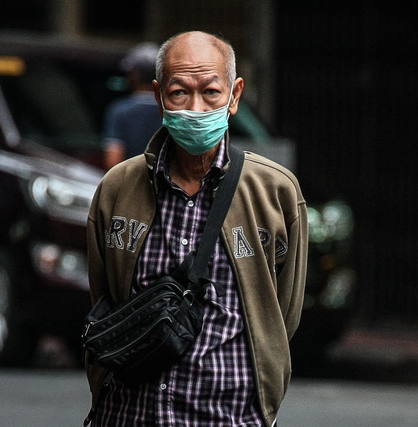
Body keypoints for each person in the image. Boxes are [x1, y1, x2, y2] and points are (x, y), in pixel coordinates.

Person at [84, 31, 308, 426]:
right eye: (178, 93)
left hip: (230, 418)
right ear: (158, 96)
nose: (195, 108)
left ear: (235, 96)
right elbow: (105, 299)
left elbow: (280, 313)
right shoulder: (117, 190)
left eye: (210, 92)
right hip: (129, 415)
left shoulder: (275, 192)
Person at [102, 42, 162, 170]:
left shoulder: (120, 110)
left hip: (131, 185)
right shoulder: (173, 110)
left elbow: (113, 160)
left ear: (133, 75)